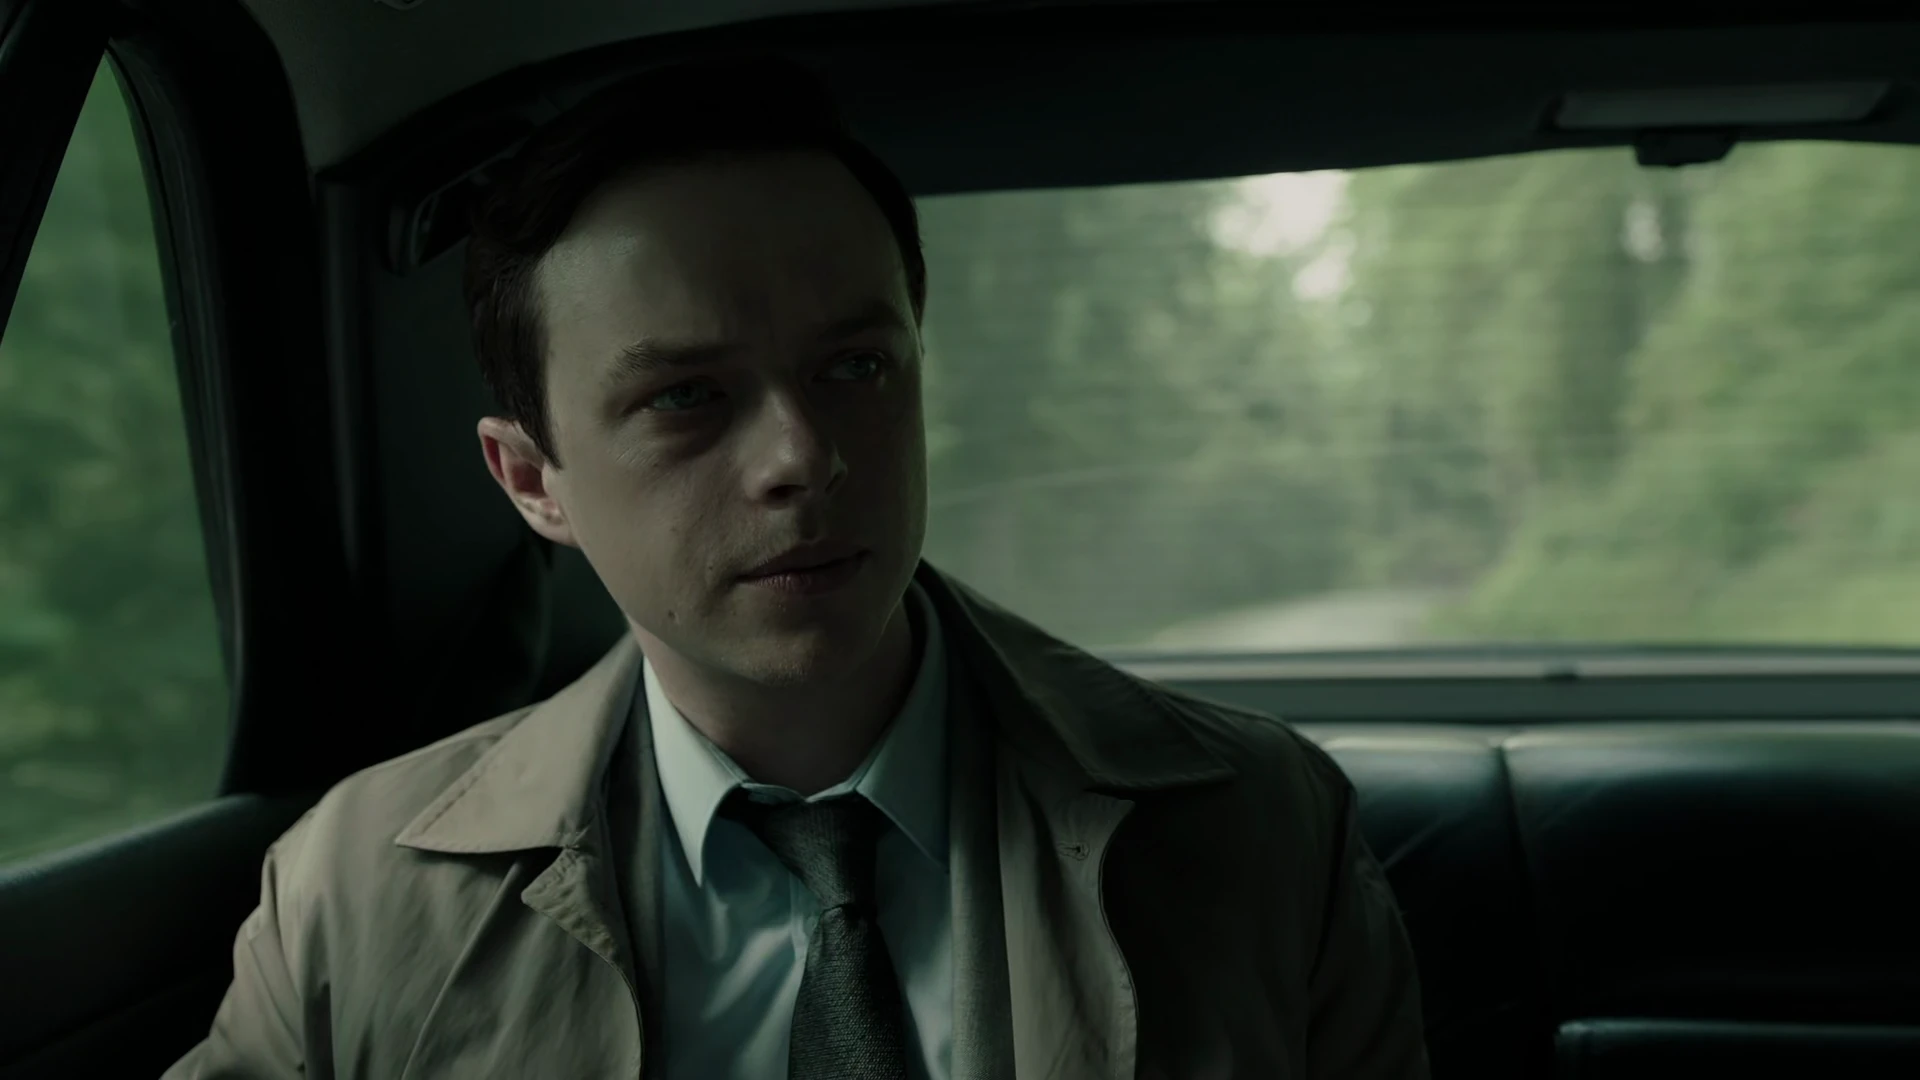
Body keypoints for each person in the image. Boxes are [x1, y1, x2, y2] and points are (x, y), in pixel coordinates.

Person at [165, 55, 1428, 1080]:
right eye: (686, 396)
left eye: (857, 368)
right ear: (534, 480)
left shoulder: (1260, 830)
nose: (802, 456)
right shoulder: (356, 893)